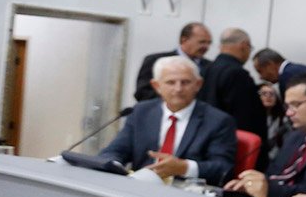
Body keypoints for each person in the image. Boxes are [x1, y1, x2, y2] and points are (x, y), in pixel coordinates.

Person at [101, 56, 236, 185]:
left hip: (185, 195)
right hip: (140, 188)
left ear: (198, 84)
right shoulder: (141, 112)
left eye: (185, 82)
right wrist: (113, 166)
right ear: (157, 86)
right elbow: (114, 151)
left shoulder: (218, 120)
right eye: (171, 82)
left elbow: (223, 168)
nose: (178, 89)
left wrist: (184, 167)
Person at [199, 28, 269, 141]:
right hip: (230, 141)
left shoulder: (205, 70)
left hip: (205, 137)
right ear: (244, 45)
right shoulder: (237, 74)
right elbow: (245, 116)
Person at [133, 21, 211, 102]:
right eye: (202, 42)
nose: (206, 47)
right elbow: (142, 93)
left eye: (209, 43)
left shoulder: (210, 66)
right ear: (183, 40)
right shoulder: (155, 61)